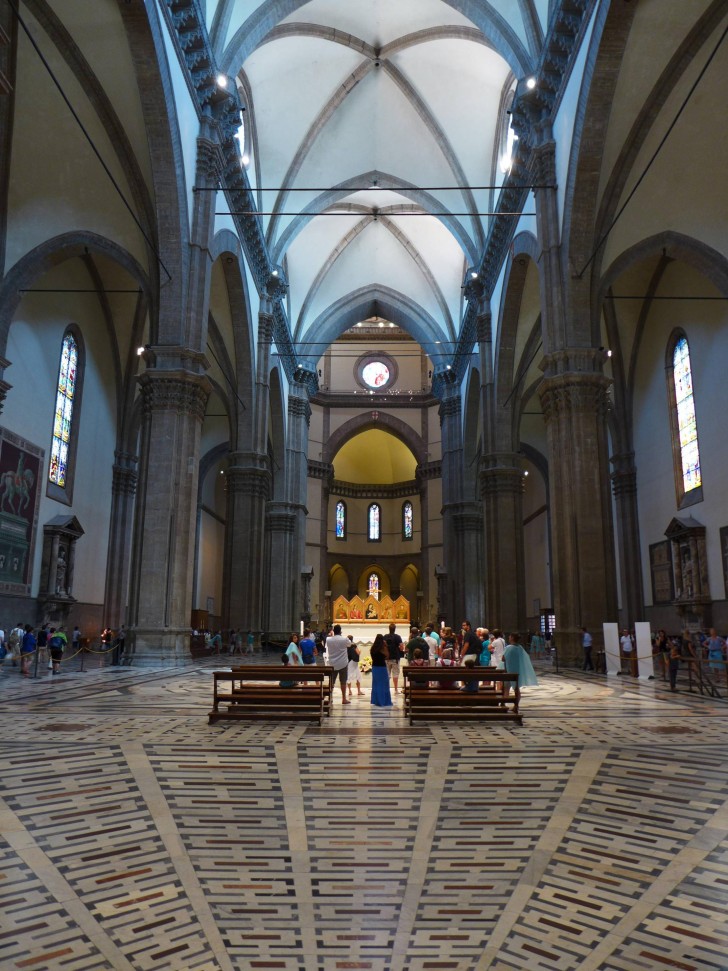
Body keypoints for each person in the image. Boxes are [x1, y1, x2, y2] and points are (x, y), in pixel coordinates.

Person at [502, 633, 539, 700]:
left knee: (506, 689)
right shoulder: (520, 647)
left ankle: (504, 703)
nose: (509, 638)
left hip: (508, 670)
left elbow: (503, 658)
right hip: (517, 670)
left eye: (510, 637)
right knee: (516, 689)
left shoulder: (508, 648)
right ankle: (516, 705)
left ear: (512, 638)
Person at [324, 624, 351, 704]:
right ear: (340, 631)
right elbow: (349, 644)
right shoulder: (344, 639)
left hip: (333, 664)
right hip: (343, 663)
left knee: (332, 682)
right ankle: (343, 699)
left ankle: (330, 698)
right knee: (343, 681)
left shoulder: (328, 639)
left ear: (333, 631)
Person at [370, 633, 392, 707]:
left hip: (375, 667)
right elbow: (387, 656)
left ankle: (376, 700)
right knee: (383, 684)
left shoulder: (372, 648)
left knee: (376, 684)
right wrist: (385, 646)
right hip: (382, 668)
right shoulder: (382, 648)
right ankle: (383, 701)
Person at [383, 623, 403, 694]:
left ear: (389, 629)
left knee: (387, 674)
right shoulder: (397, 637)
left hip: (387, 658)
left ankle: (386, 689)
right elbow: (401, 647)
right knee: (395, 674)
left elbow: (382, 646)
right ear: (395, 629)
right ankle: (395, 689)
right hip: (395, 657)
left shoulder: (385, 636)